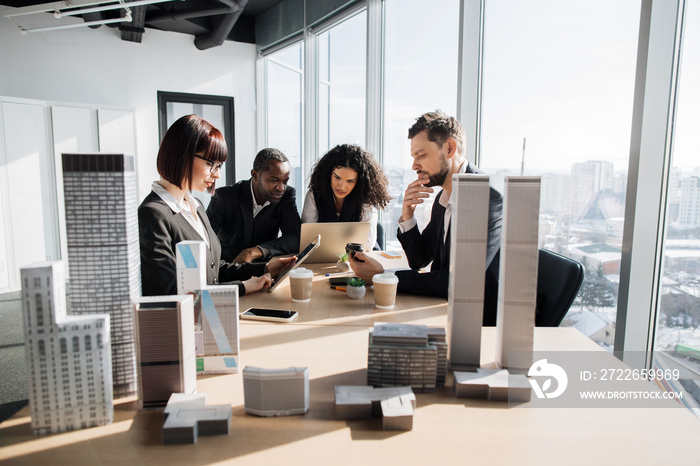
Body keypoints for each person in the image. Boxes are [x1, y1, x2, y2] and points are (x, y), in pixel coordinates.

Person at [348, 111, 503, 324]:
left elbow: (460, 282)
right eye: (413, 157)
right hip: (442, 308)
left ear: (450, 148)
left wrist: (384, 276)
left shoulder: (485, 197)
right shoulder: (445, 196)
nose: (414, 166)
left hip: (476, 323)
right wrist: (407, 215)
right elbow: (420, 260)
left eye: (421, 156)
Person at [138, 114, 295, 297]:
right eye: (210, 164)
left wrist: (266, 268)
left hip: (210, 314)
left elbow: (214, 270)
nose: (217, 175)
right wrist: (244, 287)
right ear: (183, 156)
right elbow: (170, 293)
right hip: (186, 322)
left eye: (219, 166)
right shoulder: (153, 214)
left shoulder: (194, 206)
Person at [206, 148, 301, 263]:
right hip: (228, 270)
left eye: (285, 181)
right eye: (274, 180)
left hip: (264, 269)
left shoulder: (286, 196)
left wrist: (255, 251)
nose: (281, 188)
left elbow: (295, 238)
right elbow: (206, 241)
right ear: (255, 175)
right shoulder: (223, 197)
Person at [301, 144, 391, 250]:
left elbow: (367, 244)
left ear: (359, 181)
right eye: (337, 177)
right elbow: (308, 239)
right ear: (328, 173)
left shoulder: (365, 197)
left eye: (350, 181)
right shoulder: (314, 195)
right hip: (323, 256)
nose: (342, 186)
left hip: (362, 255)